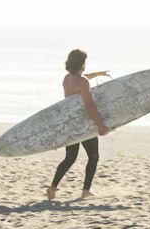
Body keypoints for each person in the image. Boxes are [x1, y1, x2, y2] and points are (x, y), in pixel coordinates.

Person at [46, 49, 110, 201]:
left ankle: (52, 187)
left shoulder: (67, 78)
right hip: (83, 125)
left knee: (70, 158)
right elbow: (89, 104)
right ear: (82, 63)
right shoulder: (82, 82)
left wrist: (97, 74)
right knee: (93, 156)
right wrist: (100, 124)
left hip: (71, 124)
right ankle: (86, 191)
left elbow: (82, 80)